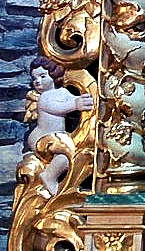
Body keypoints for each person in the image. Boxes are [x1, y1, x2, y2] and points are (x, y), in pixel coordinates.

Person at [24, 56, 93, 195]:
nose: (37, 81)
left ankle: (50, 175)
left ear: (53, 75)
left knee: (67, 156)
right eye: (34, 78)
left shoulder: (62, 91)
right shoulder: (44, 97)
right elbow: (56, 108)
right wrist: (75, 104)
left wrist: (80, 99)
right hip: (42, 138)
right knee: (66, 155)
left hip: (55, 138)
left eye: (42, 76)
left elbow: (71, 98)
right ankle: (49, 176)